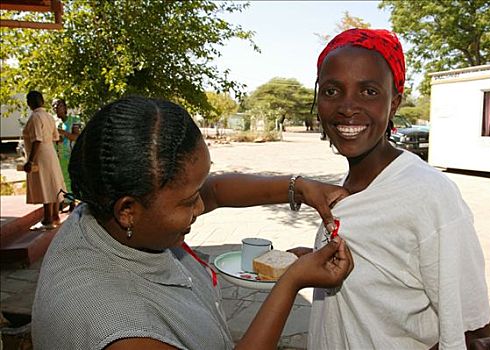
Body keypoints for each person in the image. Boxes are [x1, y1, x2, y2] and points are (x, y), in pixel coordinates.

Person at [31, 96, 353, 350]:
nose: (202, 206)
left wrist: (298, 187)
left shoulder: (102, 209)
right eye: (188, 201)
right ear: (127, 210)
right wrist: (291, 282)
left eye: (198, 191)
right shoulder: (121, 329)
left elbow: (214, 190)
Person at [296, 28, 490, 349]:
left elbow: (474, 328)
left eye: (369, 92)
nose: (347, 106)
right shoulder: (352, 186)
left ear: (394, 103)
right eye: (332, 91)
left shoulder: (430, 195)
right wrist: (311, 261)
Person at [22, 91, 65, 229]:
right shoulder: (49, 117)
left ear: (30, 103)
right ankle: (54, 216)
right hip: (50, 152)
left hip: (40, 155)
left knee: (45, 185)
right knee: (51, 184)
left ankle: (47, 219)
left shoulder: (35, 117)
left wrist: (30, 161)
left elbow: (37, 140)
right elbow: (56, 137)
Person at [53, 98, 81, 212]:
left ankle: (71, 202)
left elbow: (76, 137)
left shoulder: (74, 120)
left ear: (65, 108)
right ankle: (62, 201)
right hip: (57, 156)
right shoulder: (55, 123)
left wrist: (63, 133)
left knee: (69, 179)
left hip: (69, 155)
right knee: (60, 179)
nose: (56, 110)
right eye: (54, 108)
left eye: (58, 107)